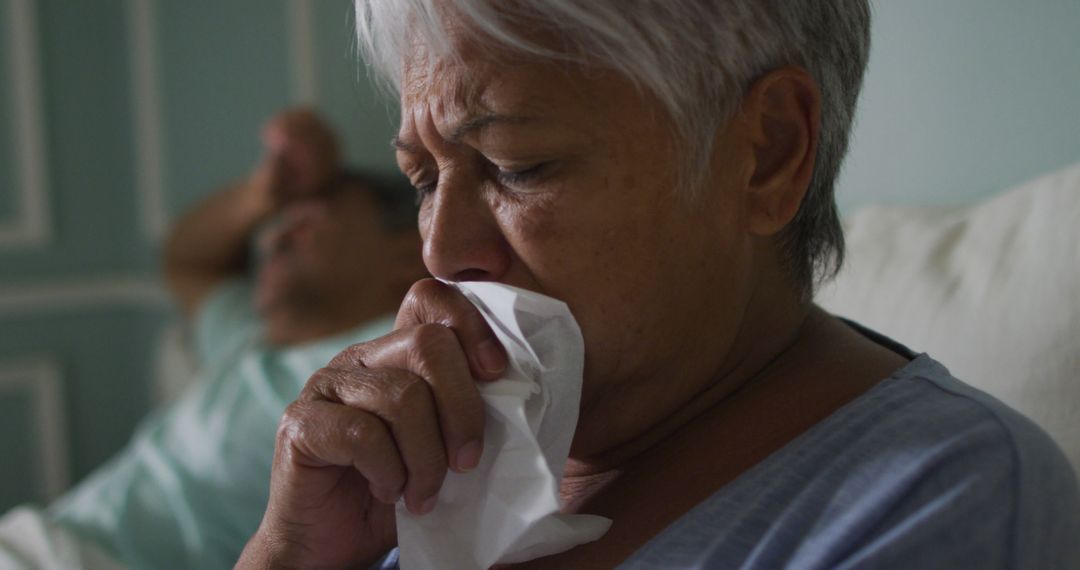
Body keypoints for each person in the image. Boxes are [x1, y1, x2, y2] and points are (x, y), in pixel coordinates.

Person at [235, 1, 1080, 569]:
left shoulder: (946, 497)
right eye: (424, 179)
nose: (443, 255)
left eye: (516, 166)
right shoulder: (441, 485)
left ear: (768, 153)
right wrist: (286, 556)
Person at [0, 109, 425, 569]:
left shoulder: (387, 354)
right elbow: (184, 261)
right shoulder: (248, 338)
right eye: (278, 220)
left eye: (311, 216)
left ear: (406, 252)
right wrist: (261, 193)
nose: (275, 234)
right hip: (36, 539)